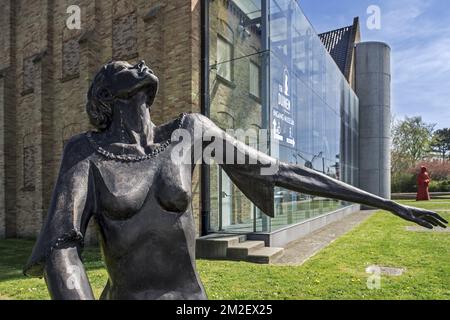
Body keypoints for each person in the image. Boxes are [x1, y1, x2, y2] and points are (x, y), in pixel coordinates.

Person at [23, 60, 447, 300]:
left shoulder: (188, 131)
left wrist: (386, 202)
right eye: (124, 67)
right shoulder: (86, 152)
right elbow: (62, 246)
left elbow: (279, 170)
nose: (140, 64)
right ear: (105, 94)